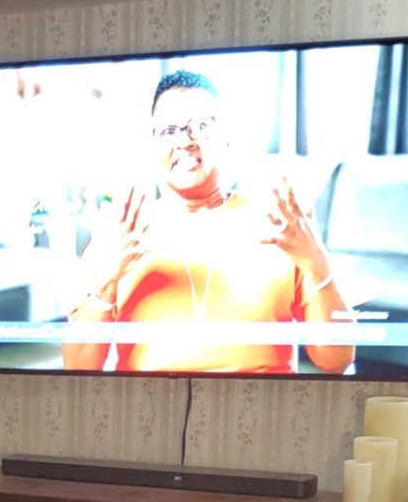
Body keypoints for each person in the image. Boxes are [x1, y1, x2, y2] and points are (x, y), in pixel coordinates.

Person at [63, 69, 355, 375]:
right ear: (153, 144)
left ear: (226, 139)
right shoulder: (120, 234)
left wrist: (315, 261)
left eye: (201, 126)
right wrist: (105, 282)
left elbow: (337, 359)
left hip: (264, 411)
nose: (185, 141)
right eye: (168, 130)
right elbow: (78, 365)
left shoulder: (277, 226)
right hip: (147, 411)